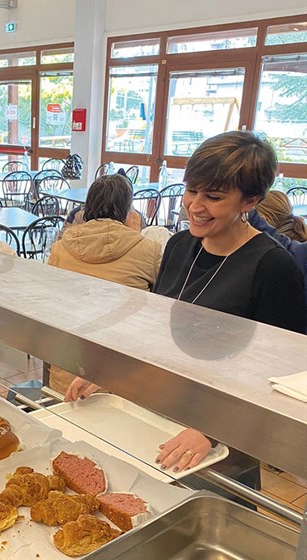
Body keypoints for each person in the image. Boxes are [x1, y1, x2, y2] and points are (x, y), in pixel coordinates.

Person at [65, 132, 306, 476]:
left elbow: (282, 379)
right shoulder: (180, 245)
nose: (195, 206)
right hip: (162, 415)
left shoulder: (272, 266)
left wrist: (212, 429)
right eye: (191, 190)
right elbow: (157, 332)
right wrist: (111, 372)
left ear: (250, 201)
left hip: (224, 442)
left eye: (214, 197)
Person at [47, 174, 162, 395]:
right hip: (120, 375)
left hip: (67, 370)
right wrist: (135, 236)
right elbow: (156, 311)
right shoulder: (149, 250)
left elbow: (51, 304)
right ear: (128, 210)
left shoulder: (60, 248)